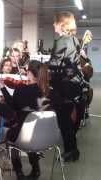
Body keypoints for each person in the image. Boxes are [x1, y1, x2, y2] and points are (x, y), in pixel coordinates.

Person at [0, 60, 51, 180]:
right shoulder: (46, 90)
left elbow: (12, 106)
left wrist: (3, 88)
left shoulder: (21, 89)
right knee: (30, 137)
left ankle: (19, 172)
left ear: (30, 73)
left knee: (10, 136)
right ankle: (36, 170)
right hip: (44, 133)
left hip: (24, 133)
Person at [48, 11, 81, 162]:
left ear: (62, 24)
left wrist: (42, 69)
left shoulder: (61, 41)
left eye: (55, 22)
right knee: (68, 121)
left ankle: (69, 152)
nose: (53, 25)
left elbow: (54, 65)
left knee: (64, 122)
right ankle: (73, 150)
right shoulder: (74, 40)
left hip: (63, 86)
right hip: (73, 85)